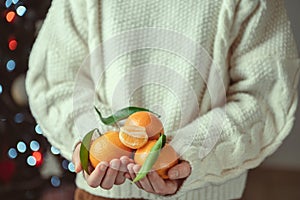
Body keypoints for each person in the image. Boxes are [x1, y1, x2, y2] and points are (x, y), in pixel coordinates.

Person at [26, 0, 300, 199]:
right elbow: (56, 80)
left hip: (208, 193)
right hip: (101, 194)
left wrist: (184, 154)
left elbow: (264, 96)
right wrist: (94, 141)